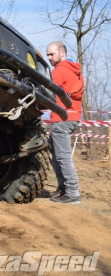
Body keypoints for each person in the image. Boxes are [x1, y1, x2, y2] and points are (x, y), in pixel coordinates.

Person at [46, 41, 84, 205]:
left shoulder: (59, 71)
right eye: (47, 54)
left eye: (51, 54)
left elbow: (49, 94)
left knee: (63, 156)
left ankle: (73, 193)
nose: (49, 58)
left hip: (62, 119)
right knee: (52, 147)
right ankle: (63, 187)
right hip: (74, 117)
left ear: (62, 53)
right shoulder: (77, 72)